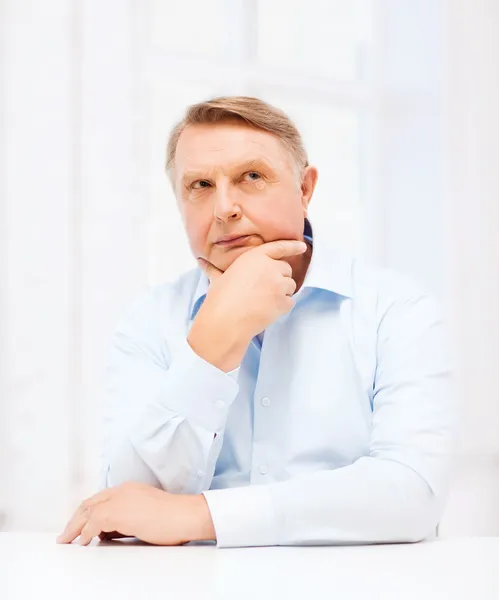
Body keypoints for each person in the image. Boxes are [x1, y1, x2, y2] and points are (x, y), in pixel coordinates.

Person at [57, 96, 454, 548]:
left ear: (304, 190)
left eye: (251, 177)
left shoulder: (397, 311)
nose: (224, 207)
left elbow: (413, 494)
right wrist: (213, 341)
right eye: (201, 185)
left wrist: (200, 516)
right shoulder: (148, 322)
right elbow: (126, 506)